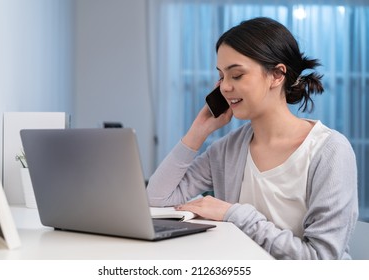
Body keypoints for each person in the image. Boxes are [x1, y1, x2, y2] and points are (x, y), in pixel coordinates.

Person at [146, 17, 358, 260]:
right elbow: (156, 200)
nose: (224, 87)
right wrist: (198, 131)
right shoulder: (227, 149)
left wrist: (233, 214)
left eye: (236, 75)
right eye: (221, 76)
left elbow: (322, 260)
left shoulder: (330, 151)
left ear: (277, 75)